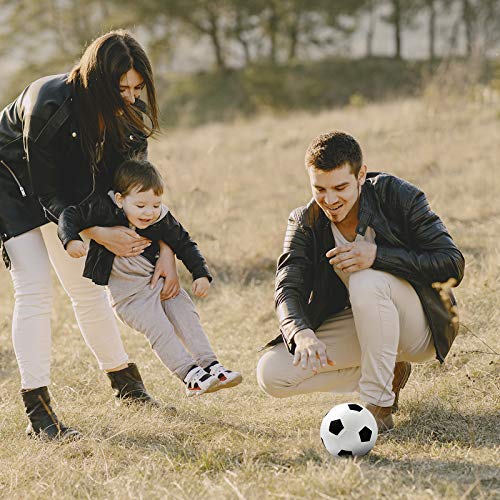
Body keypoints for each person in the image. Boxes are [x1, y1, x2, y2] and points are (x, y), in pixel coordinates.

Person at [0, 30, 180, 440]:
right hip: (10, 180)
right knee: (34, 288)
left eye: (138, 88)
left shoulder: (131, 123)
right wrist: (96, 231)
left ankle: (125, 383)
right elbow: (45, 191)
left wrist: (166, 248)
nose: (131, 98)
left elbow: (140, 197)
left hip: (68, 196)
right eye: (122, 89)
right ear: (98, 83)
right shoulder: (47, 103)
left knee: (87, 288)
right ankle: (39, 412)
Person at [256, 131, 464, 431]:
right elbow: (288, 285)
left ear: (361, 175)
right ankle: (388, 372)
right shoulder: (305, 220)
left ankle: (377, 404)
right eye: (319, 189)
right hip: (364, 323)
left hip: (420, 327)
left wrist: (378, 256)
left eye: (340, 187)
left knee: (366, 279)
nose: (329, 199)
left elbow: (452, 263)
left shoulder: (396, 195)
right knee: (272, 373)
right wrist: (301, 333)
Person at [58, 159, 242, 396]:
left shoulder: (160, 218)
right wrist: (70, 239)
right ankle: (191, 376)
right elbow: (69, 215)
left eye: (155, 204)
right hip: (131, 297)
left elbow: (184, 242)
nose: (149, 212)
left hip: (160, 284)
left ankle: (211, 365)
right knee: (160, 328)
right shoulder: (101, 209)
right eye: (141, 205)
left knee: (186, 315)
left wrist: (201, 274)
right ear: (119, 199)